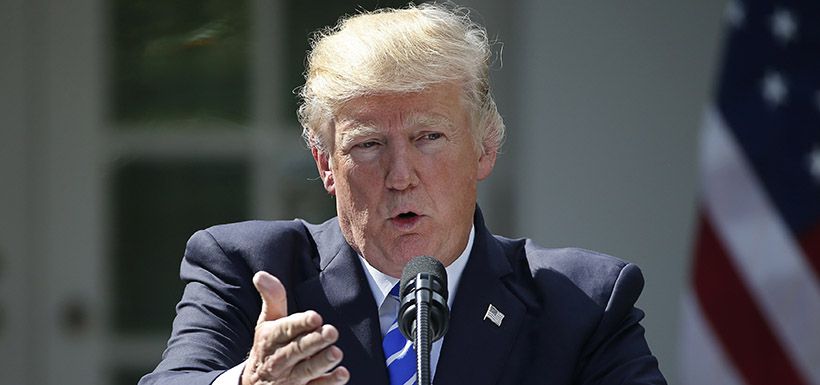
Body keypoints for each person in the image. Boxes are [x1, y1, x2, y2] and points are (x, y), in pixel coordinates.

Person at [140, 3, 666, 385]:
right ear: (326, 164)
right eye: (368, 145)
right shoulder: (249, 268)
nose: (400, 176)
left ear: (485, 148)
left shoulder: (585, 302)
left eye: (428, 138)